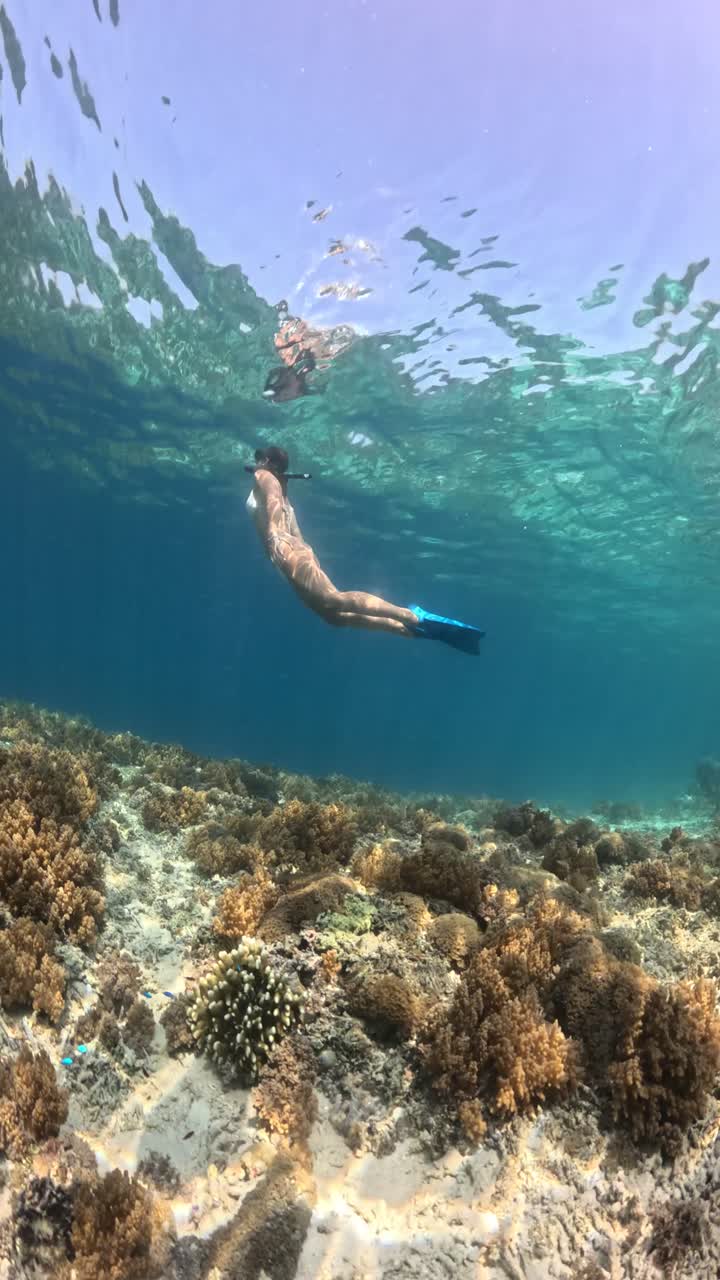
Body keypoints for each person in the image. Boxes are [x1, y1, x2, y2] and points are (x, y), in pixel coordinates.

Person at [246, 446, 484, 654]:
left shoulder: (264, 475)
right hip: (291, 551)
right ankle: (411, 631)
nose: (256, 463)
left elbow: (272, 501)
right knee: (332, 617)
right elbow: (290, 523)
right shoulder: (279, 488)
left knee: (333, 599)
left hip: (284, 549)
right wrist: (291, 545)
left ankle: (412, 617)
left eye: (260, 459)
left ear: (267, 462)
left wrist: (276, 538)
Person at [263, 305, 355, 403]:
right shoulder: (289, 390)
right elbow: (301, 389)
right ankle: (288, 318)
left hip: (296, 371)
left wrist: (271, 378)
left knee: (299, 353)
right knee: (304, 355)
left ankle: (287, 318)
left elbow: (299, 387)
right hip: (296, 372)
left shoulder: (288, 388)